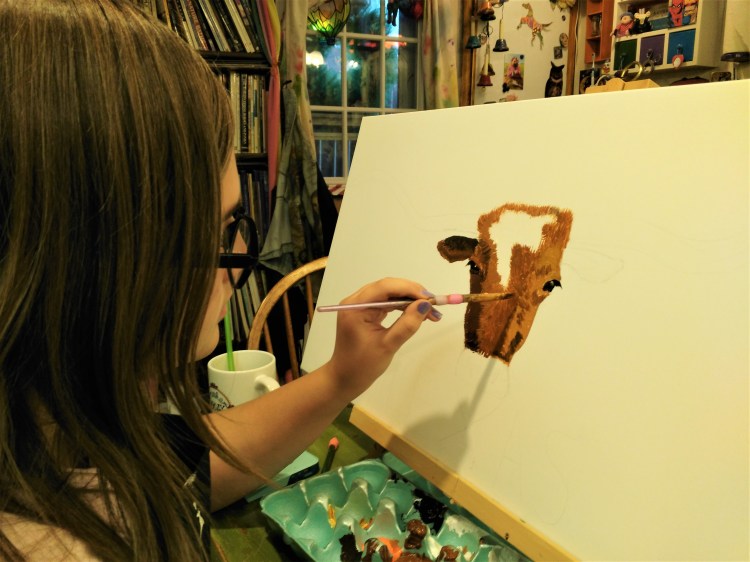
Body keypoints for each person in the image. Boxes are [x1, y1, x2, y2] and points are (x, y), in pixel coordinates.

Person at [0, 1, 441, 560]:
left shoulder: (60, 428)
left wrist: (340, 377)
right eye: (223, 228)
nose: (240, 256)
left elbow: (190, 464)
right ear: (101, 256)